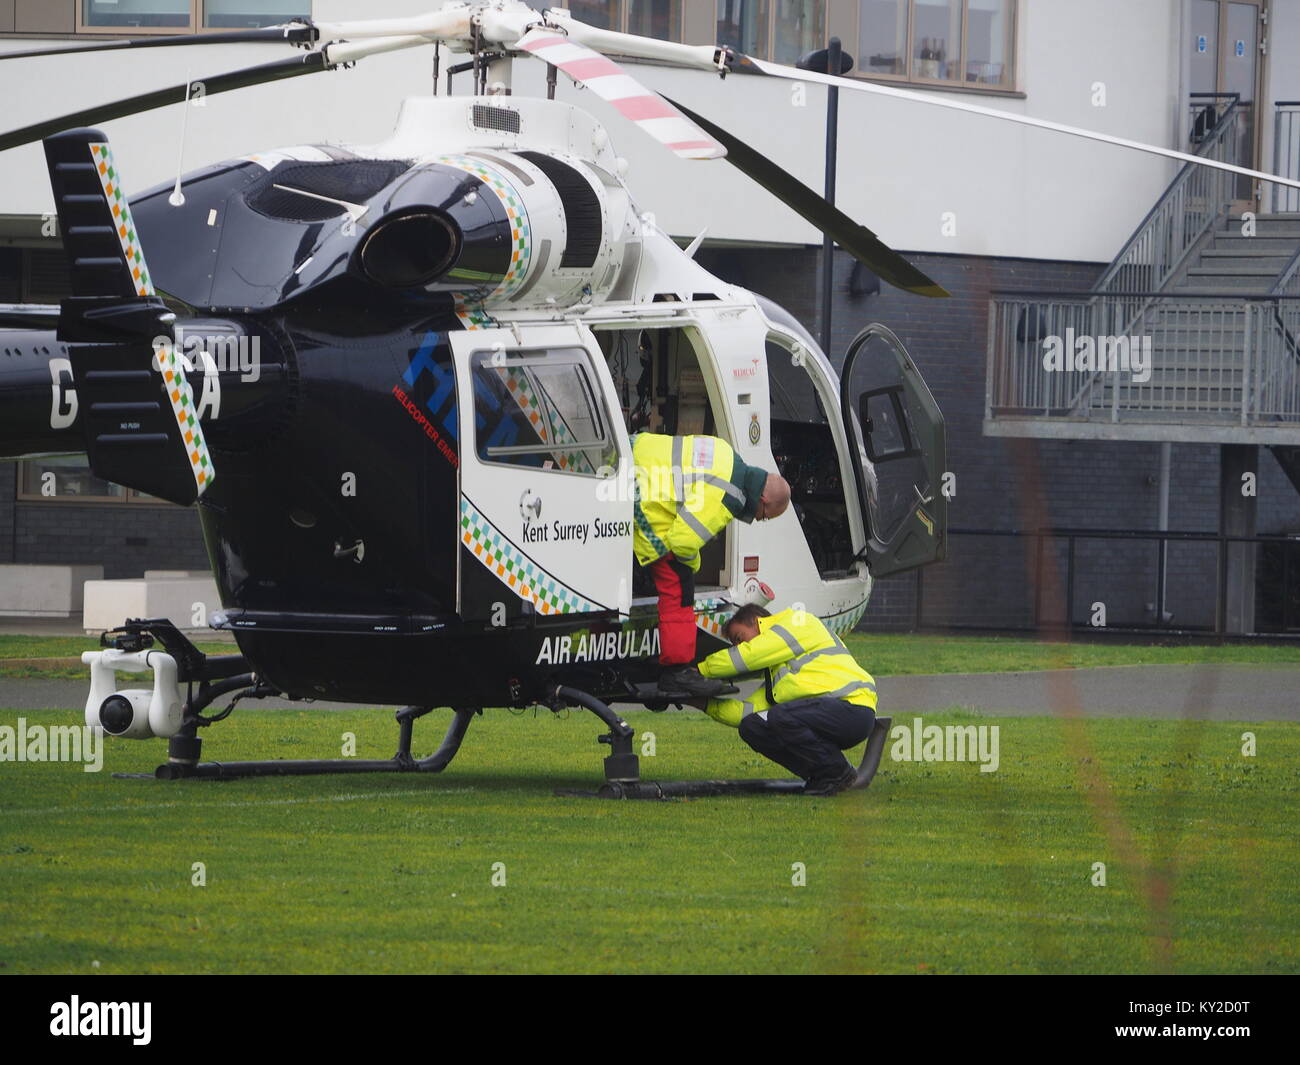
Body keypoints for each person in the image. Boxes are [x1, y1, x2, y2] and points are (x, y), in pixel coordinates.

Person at [632, 432, 791, 696]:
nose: (758, 519)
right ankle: (677, 672)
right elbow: (682, 542)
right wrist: (694, 564)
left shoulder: (729, 456)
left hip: (632, 454)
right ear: (762, 501)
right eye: (764, 516)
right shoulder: (729, 495)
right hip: (640, 495)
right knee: (680, 583)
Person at [692, 603, 878, 795]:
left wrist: (698, 671)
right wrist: (700, 702)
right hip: (831, 715)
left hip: (853, 709)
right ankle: (822, 776)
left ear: (757, 622)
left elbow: (750, 654)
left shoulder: (798, 621)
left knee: (779, 715)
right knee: (751, 726)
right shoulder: (780, 671)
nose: (739, 647)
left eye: (740, 639)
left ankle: (837, 771)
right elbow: (745, 713)